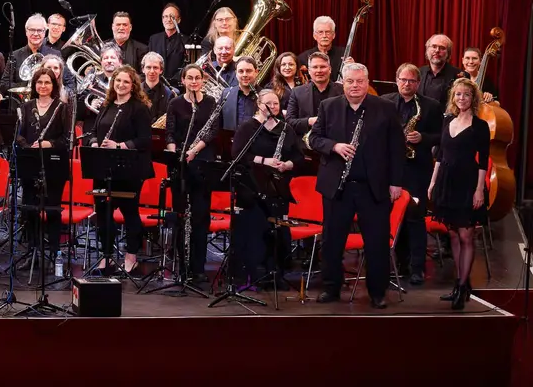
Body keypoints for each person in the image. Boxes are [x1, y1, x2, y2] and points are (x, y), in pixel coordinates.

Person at [308, 62, 405, 308]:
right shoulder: (328, 106)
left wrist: (396, 183)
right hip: (336, 188)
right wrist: (334, 146)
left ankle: (378, 292)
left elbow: (396, 148)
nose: (355, 86)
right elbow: (314, 139)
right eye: (350, 81)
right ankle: (331, 287)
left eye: (360, 81)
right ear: (342, 82)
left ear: (367, 82)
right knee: (332, 240)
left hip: (373, 187)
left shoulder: (385, 108)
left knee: (376, 241)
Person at [230, 87, 301, 290]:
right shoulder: (248, 128)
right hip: (251, 189)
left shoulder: (286, 129)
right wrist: (265, 161)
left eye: (276, 103)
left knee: (276, 233)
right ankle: (252, 275)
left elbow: (298, 156)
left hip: (277, 189)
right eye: (268, 103)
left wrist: (287, 165)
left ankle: (274, 275)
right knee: (254, 232)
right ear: (259, 106)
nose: (272, 107)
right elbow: (238, 155)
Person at [430, 79, 490, 310]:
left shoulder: (480, 126)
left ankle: (464, 285)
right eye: (458, 95)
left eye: (466, 95)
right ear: (453, 98)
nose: (461, 98)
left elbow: (483, 161)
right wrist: (433, 182)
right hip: (446, 182)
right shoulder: (447, 121)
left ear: (473, 98)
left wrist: (479, 190)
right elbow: (439, 155)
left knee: (466, 236)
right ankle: (459, 284)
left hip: (467, 183)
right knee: (453, 235)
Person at [88, 65, 153, 275]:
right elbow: (93, 132)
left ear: (133, 85)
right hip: (104, 168)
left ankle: (131, 256)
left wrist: (119, 145)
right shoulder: (107, 106)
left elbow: (144, 140)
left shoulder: (139, 108)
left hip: (129, 169)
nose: (121, 85)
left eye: (126, 81)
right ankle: (106, 257)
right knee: (103, 214)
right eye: (118, 81)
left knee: (129, 212)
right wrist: (95, 143)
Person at [383, 63, 443, 285]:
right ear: (396, 80)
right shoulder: (384, 102)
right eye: (403, 80)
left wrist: (423, 138)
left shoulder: (431, 106)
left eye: (411, 81)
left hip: (416, 169)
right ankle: (397, 263)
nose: (406, 84)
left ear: (418, 83)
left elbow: (440, 136)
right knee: (392, 217)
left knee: (415, 218)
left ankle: (417, 267)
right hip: (390, 169)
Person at [164, 64, 219, 278]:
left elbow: (213, 131)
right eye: (190, 78)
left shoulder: (210, 102)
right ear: (184, 80)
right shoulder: (175, 103)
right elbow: (169, 132)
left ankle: (198, 267)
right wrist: (174, 153)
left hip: (202, 162)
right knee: (180, 216)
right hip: (181, 164)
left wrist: (194, 150)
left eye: (198, 78)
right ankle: (182, 266)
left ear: (203, 80)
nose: (194, 81)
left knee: (200, 217)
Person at [17, 68, 70, 270]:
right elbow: (19, 134)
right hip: (30, 161)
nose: (43, 86)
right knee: (30, 209)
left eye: (47, 82)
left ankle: (55, 252)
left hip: (54, 163)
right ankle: (33, 252)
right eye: (39, 82)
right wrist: (26, 145)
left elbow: (66, 138)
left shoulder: (62, 108)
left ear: (53, 85)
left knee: (52, 209)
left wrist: (50, 144)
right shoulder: (26, 106)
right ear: (34, 85)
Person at [285, 51, 341, 137]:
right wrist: (309, 121)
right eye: (315, 67)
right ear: (309, 70)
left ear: (330, 69)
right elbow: (289, 121)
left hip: (336, 141)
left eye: (323, 67)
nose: (319, 70)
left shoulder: (342, 90)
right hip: (305, 146)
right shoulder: (297, 92)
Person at [7, 14, 59, 86]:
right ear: (26, 32)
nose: (35, 34)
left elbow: (69, 82)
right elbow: (5, 83)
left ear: (44, 32)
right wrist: (27, 87)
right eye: (32, 30)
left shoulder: (56, 54)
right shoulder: (14, 55)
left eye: (40, 30)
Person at [147, 3, 186, 83]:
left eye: (172, 17)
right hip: (157, 83)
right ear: (162, 19)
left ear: (178, 20)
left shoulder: (185, 41)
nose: (168, 20)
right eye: (165, 16)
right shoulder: (154, 39)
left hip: (177, 85)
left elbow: (186, 66)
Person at [418, 34, 462, 106]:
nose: (437, 50)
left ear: (448, 53)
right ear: (427, 50)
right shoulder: (418, 73)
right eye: (434, 46)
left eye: (442, 48)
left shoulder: (459, 75)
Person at [220, 55, 259, 131]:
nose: (244, 75)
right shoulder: (226, 94)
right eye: (241, 71)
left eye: (248, 71)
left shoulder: (265, 95)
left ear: (256, 72)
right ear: (236, 73)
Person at [140, 52, 171, 122]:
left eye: (155, 67)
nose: (152, 71)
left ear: (161, 70)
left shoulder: (170, 94)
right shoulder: (134, 92)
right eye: (148, 67)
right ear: (143, 69)